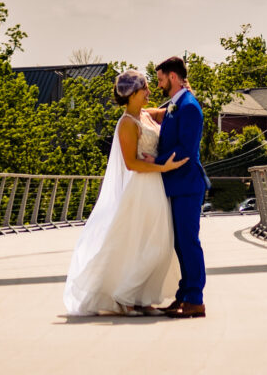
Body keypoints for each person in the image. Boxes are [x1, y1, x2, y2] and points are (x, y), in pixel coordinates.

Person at [59, 69, 188, 317]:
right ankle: (125, 297)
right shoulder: (127, 123)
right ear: (132, 94)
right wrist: (163, 166)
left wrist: (184, 92)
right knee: (150, 244)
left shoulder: (145, 115)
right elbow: (131, 163)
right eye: (145, 90)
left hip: (155, 186)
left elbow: (170, 110)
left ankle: (143, 298)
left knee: (158, 243)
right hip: (141, 187)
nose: (149, 93)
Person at [150, 56, 210, 318]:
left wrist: (155, 161)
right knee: (179, 243)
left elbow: (186, 150)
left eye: (161, 78)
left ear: (172, 77)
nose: (159, 83)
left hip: (187, 184)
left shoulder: (188, 107)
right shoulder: (177, 104)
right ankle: (184, 294)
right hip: (176, 185)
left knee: (189, 242)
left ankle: (195, 299)